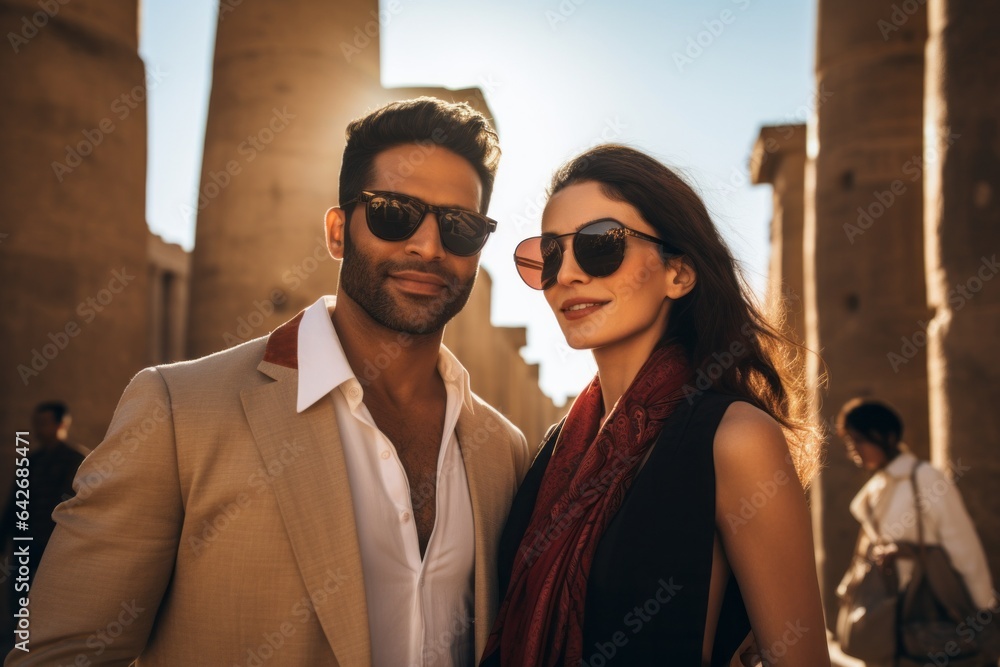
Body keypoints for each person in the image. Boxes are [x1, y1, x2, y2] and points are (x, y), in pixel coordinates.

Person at [9, 97, 531, 666]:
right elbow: (61, 653)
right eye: (393, 213)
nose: (428, 247)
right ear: (338, 232)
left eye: (460, 227)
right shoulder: (179, 412)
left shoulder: (502, 451)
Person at [483, 144, 831, 666]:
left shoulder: (735, 438)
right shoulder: (557, 450)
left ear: (679, 274)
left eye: (601, 245)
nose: (567, 274)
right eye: (550, 254)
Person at [836, 398, 998, 667]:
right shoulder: (876, 488)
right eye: (850, 442)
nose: (854, 450)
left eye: (859, 440)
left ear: (887, 437)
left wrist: (982, 607)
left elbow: (963, 545)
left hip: (932, 604)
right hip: (889, 610)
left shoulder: (924, 477)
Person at [0, 402, 86, 650]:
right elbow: (15, 504)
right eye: (37, 423)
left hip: (57, 545)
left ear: (61, 424)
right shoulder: (31, 461)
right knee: (20, 600)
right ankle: (22, 647)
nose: (38, 428)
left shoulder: (77, 461)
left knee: (57, 601)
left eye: (44, 423)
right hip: (26, 543)